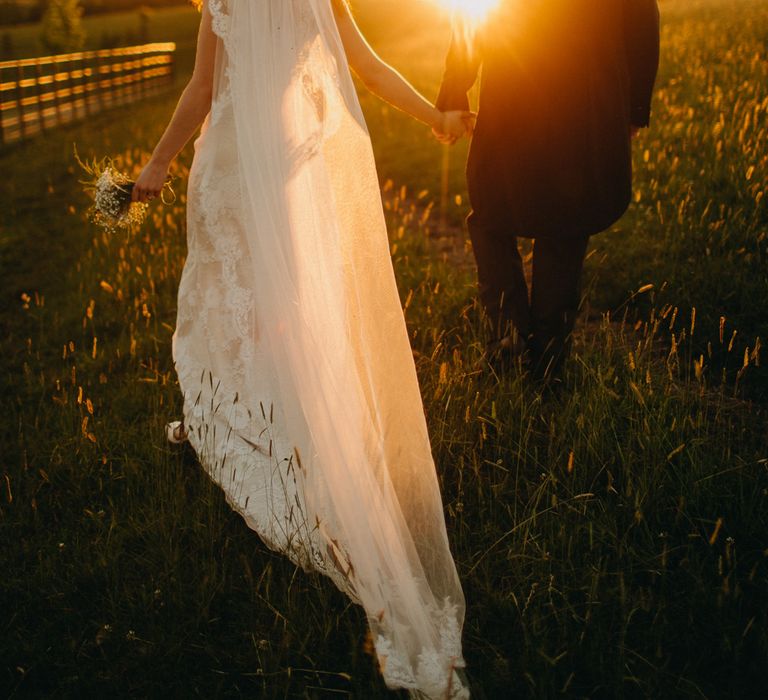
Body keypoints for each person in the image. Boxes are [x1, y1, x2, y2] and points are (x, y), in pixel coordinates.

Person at [132, 1, 472, 697]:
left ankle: (247, 427)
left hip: (234, 170)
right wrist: (432, 118)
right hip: (288, 171)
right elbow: (370, 71)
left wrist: (158, 163)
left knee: (238, 316)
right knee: (285, 313)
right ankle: (270, 423)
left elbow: (202, 89)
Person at [436, 0, 660, 378]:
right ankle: (549, 356)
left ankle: (509, 340)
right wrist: (634, 108)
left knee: (493, 214)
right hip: (583, 102)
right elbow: (642, 24)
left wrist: (454, 91)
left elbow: (472, 16)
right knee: (562, 226)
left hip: (515, 93)